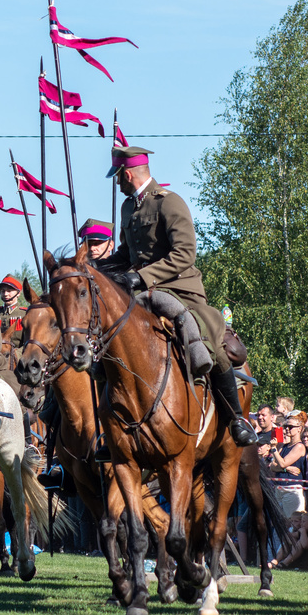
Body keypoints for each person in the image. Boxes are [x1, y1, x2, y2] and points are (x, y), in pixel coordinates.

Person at [97, 144, 255, 447]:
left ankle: (236, 418)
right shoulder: (129, 207)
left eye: (118, 177)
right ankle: (111, 433)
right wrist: (94, 268)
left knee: (208, 340)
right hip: (141, 292)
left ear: (128, 174)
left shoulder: (169, 203)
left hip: (180, 290)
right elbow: (126, 253)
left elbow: (184, 254)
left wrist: (140, 276)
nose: (117, 183)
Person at [268, 412, 307, 515]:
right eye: (285, 426)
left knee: (292, 520)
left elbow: (282, 463)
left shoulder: (299, 446)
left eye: (290, 427)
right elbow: (272, 466)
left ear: (299, 428)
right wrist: (286, 469)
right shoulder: (284, 446)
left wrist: (273, 449)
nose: (286, 429)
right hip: (279, 488)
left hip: (291, 489)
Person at [0, 274, 28, 366]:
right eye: (3, 291)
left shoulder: (25, 314)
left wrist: (16, 355)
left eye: (9, 291)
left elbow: (28, 342)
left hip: (17, 361)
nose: (5, 294)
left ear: (18, 293)